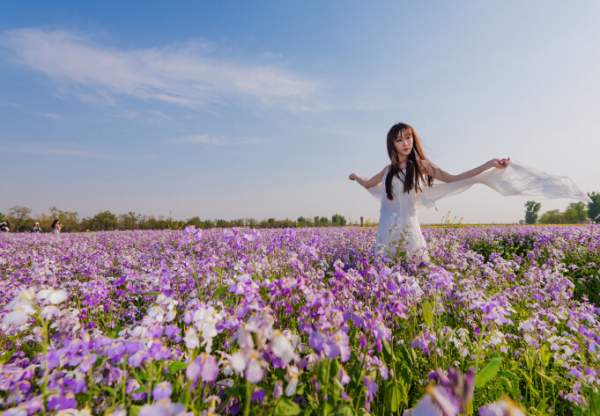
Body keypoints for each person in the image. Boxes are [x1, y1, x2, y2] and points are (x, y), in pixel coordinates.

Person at [349, 122, 591, 259]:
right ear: (392, 144)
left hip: (409, 228)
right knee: (385, 273)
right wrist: (355, 177)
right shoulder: (388, 170)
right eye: (400, 139)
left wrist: (488, 164)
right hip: (386, 229)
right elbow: (370, 184)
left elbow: (454, 178)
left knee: (416, 272)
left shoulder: (422, 166)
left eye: (409, 138)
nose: (406, 143)